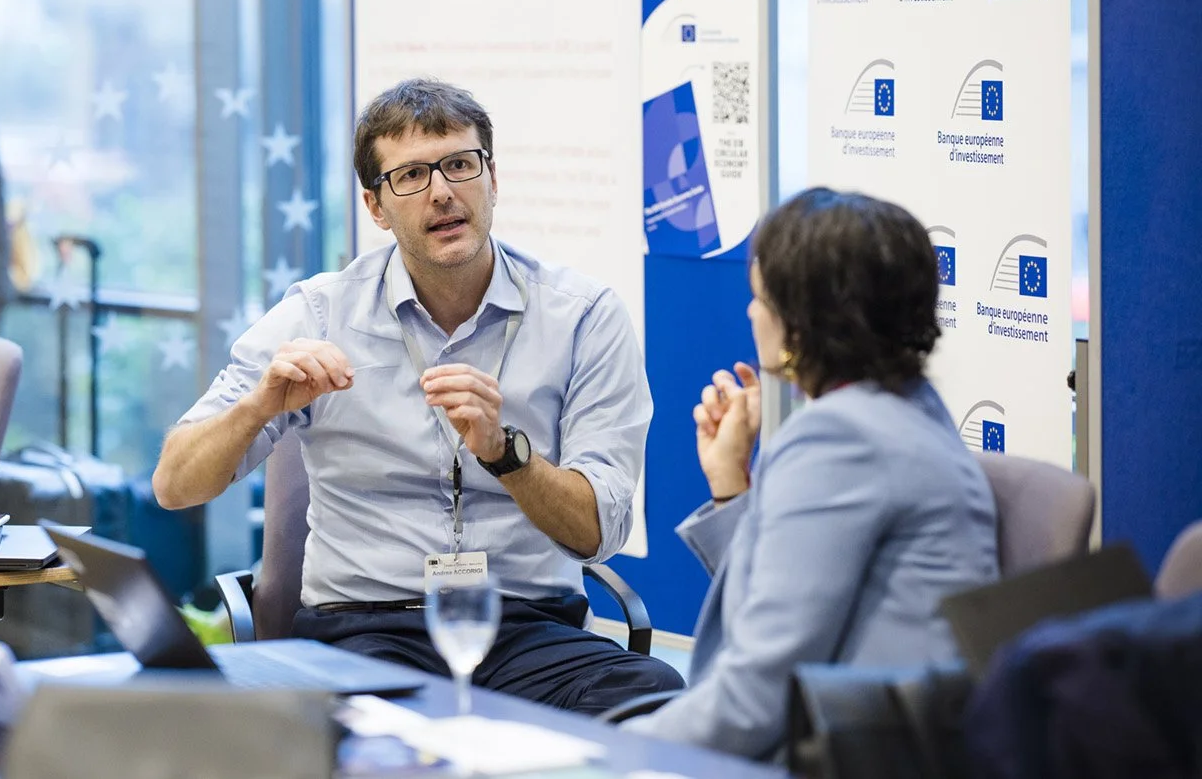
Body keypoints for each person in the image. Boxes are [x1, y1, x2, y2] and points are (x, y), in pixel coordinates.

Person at [153, 78, 682, 713]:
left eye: (460, 165)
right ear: (376, 206)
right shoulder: (318, 313)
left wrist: (507, 455)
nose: (442, 192)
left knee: (652, 699)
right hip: (365, 628)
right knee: (375, 732)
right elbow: (174, 485)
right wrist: (257, 407)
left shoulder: (583, 317)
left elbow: (601, 531)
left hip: (527, 628)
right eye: (410, 176)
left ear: (492, 179)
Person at [627, 187, 999, 758]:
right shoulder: (909, 408)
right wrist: (731, 485)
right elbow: (783, 601)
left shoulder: (840, 438)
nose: (751, 312)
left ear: (802, 322)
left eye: (760, 297)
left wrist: (599, 750)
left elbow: (755, 699)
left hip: (855, 753)